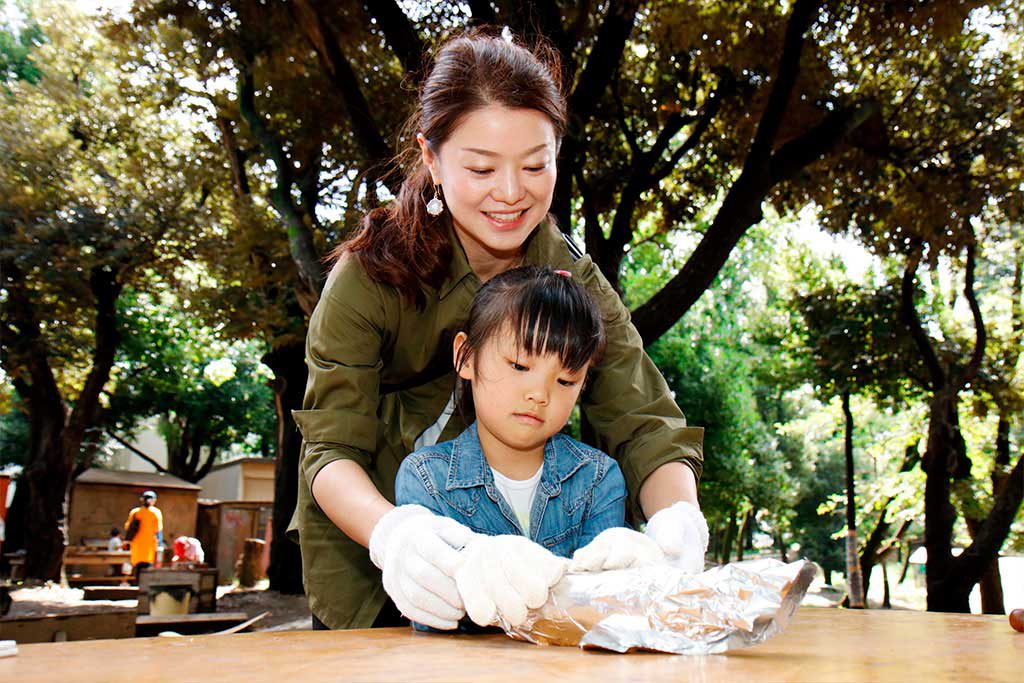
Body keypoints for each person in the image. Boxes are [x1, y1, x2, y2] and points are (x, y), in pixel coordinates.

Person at [290, 30, 707, 632]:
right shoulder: (368, 277)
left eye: (536, 165)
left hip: (529, 560)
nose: (511, 194)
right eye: (482, 167)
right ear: (431, 159)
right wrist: (397, 535)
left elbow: (644, 423)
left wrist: (675, 527)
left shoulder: (573, 281)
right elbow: (331, 447)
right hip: (370, 541)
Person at [394, 266, 669, 629]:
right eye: (520, 365)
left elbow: (601, 613)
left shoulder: (598, 479)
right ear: (466, 357)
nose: (539, 394)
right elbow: (435, 616)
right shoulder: (425, 479)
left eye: (566, 380)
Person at [124, 490, 163, 577]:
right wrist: (160, 544)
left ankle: (136, 584)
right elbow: (158, 530)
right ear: (154, 500)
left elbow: (128, 527)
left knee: (137, 566)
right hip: (150, 546)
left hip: (137, 545)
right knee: (147, 568)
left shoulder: (135, 512)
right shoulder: (156, 512)